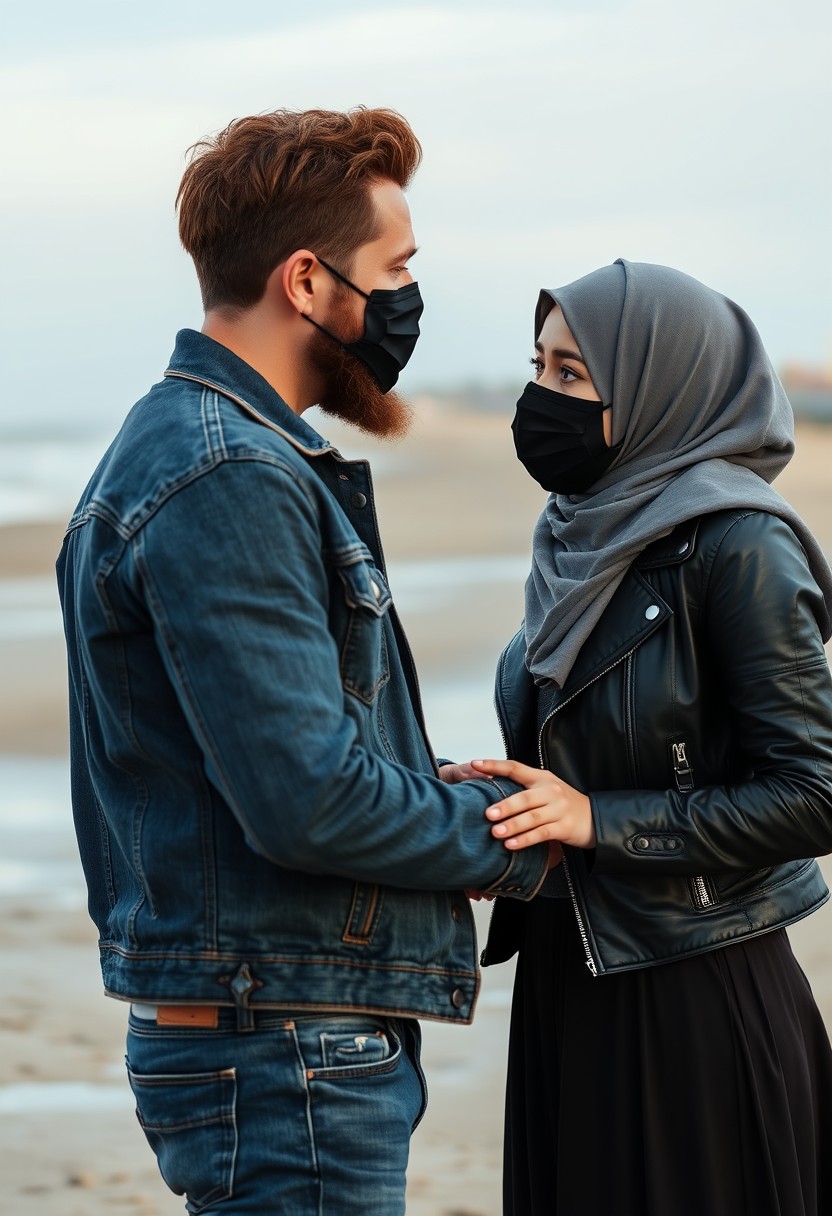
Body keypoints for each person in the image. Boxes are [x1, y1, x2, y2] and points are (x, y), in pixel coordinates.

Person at [56, 107, 549, 1216]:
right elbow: (308, 798)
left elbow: (280, 759)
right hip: (285, 1047)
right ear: (307, 282)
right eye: (397, 268)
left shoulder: (207, 447)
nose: (408, 301)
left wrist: (435, 789)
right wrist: (525, 845)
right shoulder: (226, 470)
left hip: (280, 1030)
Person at [461, 259, 832, 1215]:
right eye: (539, 367)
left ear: (661, 386)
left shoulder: (736, 542)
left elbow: (814, 790)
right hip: (571, 979)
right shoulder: (580, 535)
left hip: (691, 993)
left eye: (574, 376)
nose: (541, 398)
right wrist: (505, 810)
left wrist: (597, 820)